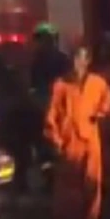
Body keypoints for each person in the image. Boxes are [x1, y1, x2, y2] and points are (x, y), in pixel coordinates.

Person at [43, 45, 110, 219]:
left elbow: (107, 105)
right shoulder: (60, 85)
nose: (78, 63)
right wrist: (56, 140)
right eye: (75, 58)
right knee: (68, 184)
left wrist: (103, 115)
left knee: (93, 181)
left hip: (91, 139)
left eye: (82, 58)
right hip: (69, 141)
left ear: (87, 61)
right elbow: (51, 115)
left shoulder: (98, 83)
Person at [26, 23, 71, 188]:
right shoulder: (58, 59)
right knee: (46, 147)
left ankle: (54, 178)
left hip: (52, 109)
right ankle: (51, 177)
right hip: (47, 109)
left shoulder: (43, 60)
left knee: (50, 146)